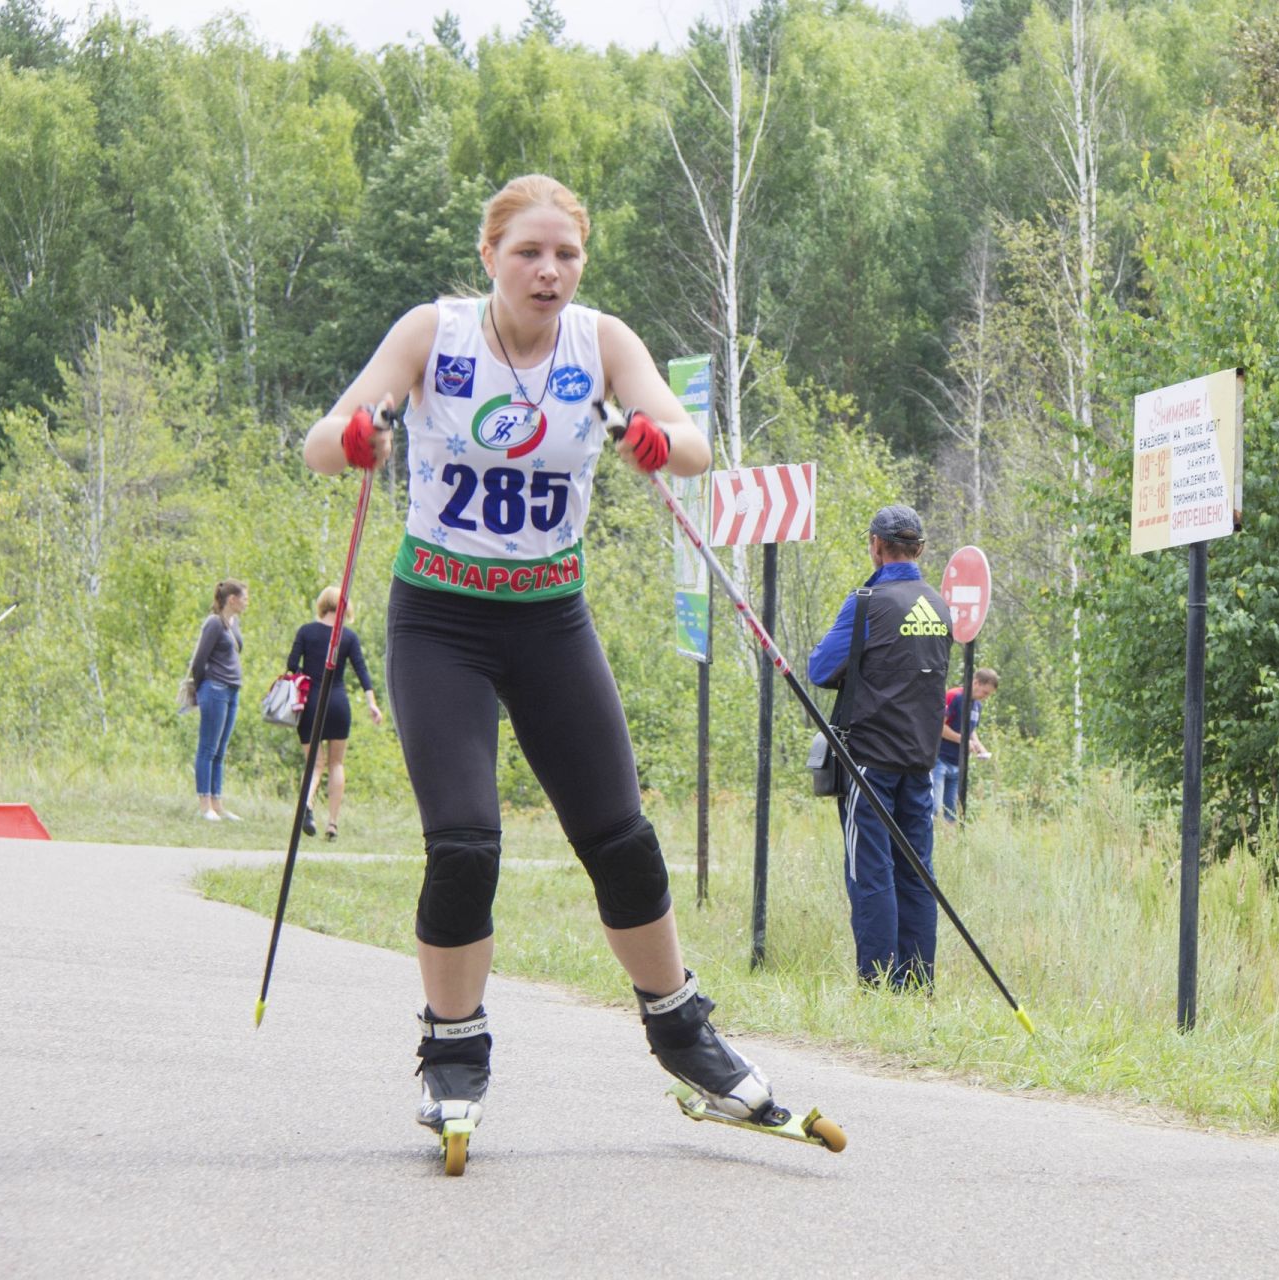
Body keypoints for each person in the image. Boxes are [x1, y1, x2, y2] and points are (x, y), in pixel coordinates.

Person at [301, 173, 780, 1149]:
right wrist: (356, 436)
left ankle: (685, 1033)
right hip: (440, 619)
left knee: (622, 836)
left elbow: (693, 446)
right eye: (529, 251)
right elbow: (320, 441)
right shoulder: (434, 334)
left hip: (551, 620)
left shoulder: (599, 343)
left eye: (566, 254)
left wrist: (653, 436)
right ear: (490, 256)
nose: (549, 270)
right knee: (469, 842)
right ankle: (452, 1050)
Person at [808, 504, 952, 986]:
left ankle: (877, 982)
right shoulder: (939, 604)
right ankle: (917, 980)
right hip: (921, 759)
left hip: (869, 760)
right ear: (921, 549)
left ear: (875, 545)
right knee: (917, 871)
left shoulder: (868, 601)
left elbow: (821, 669)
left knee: (871, 872)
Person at [286, 586, 383, 840]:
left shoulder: (306, 632)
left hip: (310, 703)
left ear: (322, 605)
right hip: (338, 703)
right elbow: (361, 671)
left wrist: (300, 681)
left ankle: (307, 805)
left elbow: (291, 666)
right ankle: (332, 824)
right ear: (344, 607)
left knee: (315, 764)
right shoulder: (348, 637)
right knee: (336, 763)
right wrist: (372, 703)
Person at [188, 579, 248, 821]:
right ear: (231, 599)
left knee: (221, 750)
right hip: (215, 688)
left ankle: (218, 803)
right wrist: (203, 688)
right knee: (208, 748)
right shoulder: (214, 623)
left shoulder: (234, 623)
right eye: (244, 597)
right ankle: (205, 805)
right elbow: (199, 661)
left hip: (232, 690)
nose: (247, 602)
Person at [934, 668, 998, 823]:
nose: (985, 697)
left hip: (958, 765)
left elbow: (970, 730)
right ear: (975, 682)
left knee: (953, 811)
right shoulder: (954, 696)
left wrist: (979, 746)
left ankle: (951, 842)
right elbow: (938, 726)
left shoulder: (977, 706)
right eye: (985, 692)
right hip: (939, 760)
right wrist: (962, 740)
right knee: (933, 808)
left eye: (988, 694)